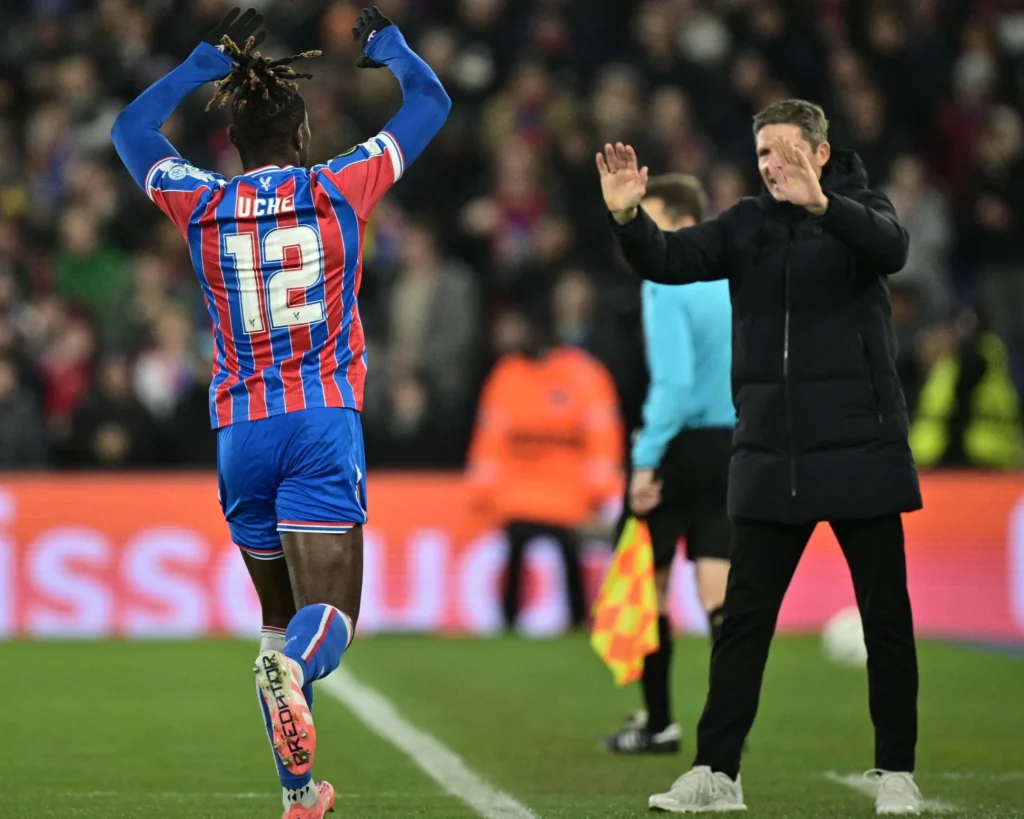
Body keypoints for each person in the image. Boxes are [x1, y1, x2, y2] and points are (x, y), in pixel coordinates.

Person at [111, 8, 450, 819]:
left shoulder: (199, 201)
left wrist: (199, 64)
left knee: (275, 618)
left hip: (240, 431)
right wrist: (390, 49)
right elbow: (431, 104)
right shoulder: (338, 184)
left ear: (230, 144)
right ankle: (292, 674)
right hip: (320, 419)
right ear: (299, 139)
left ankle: (299, 793)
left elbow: (130, 128)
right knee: (328, 619)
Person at [597, 99, 924, 814]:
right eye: (764, 153)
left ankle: (896, 772)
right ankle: (718, 771)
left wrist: (823, 204)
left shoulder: (859, 211)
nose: (773, 164)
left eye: (784, 150)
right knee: (743, 623)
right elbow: (673, 259)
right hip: (773, 456)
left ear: (822, 151)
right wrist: (629, 219)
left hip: (859, 450)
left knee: (886, 620)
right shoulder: (747, 224)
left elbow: (893, 249)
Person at [602, 174, 734, 756]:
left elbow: (675, 386)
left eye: (647, 216)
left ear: (679, 220)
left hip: (677, 450)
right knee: (718, 590)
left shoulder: (667, 281)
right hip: (733, 445)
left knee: (648, 586)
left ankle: (659, 723)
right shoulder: (732, 280)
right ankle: (731, 720)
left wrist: (644, 461)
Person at [466, 303, 623, 631]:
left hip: (566, 494)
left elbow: (600, 436)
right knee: (520, 549)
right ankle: (514, 621)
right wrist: (488, 492)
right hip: (523, 493)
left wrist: (598, 493)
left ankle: (574, 620)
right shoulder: (508, 375)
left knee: (566, 553)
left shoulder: (580, 375)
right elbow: (492, 438)